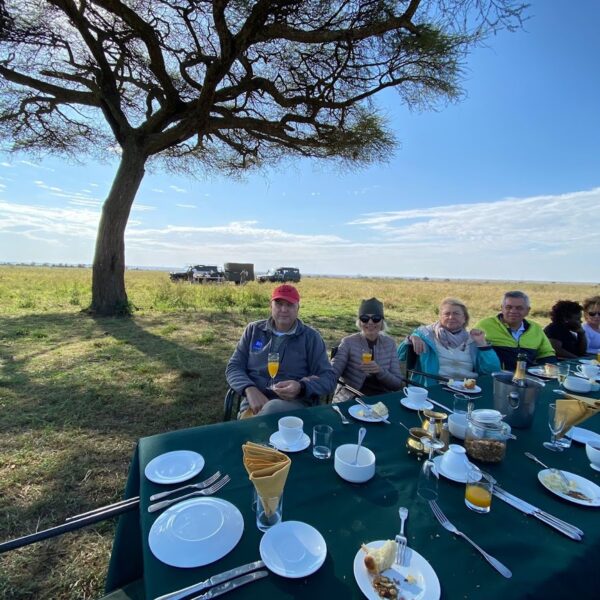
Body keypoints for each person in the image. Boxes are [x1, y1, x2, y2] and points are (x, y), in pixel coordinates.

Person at [226, 284, 336, 417]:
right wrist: (249, 389)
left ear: (298, 309)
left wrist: (301, 387)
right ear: (270, 306)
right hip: (254, 402)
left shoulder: (311, 337)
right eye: (278, 304)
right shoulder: (253, 330)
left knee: (270, 410)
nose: (284, 309)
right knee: (257, 418)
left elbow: (328, 379)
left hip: (294, 404)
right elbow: (234, 367)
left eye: (289, 304)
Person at [397, 297, 500, 387]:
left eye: (456, 313)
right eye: (447, 314)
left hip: (468, 388)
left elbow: (492, 371)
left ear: (464, 318)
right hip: (434, 387)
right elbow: (400, 355)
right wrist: (411, 338)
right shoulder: (426, 334)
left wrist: (482, 344)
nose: (451, 317)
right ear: (440, 317)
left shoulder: (473, 339)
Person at [331, 298, 404, 402]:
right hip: (351, 398)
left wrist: (380, 371)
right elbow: (333, 372)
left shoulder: (390, 344)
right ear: (360, 322)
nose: (370, 322)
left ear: (382, 321)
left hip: (382, 399)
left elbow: (397, 384)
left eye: (376, 318)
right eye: (365, 318)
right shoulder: (348, 342)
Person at [475, 290, 555, 370]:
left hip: (527, 377)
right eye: (508, 307)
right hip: (494, 376)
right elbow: (470, 352)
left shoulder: (535, 328)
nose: (513, 311)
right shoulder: (484, 325)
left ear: (527, 310)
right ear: (502, 308)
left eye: (519, 308)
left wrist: (543, 372)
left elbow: (547, 354)